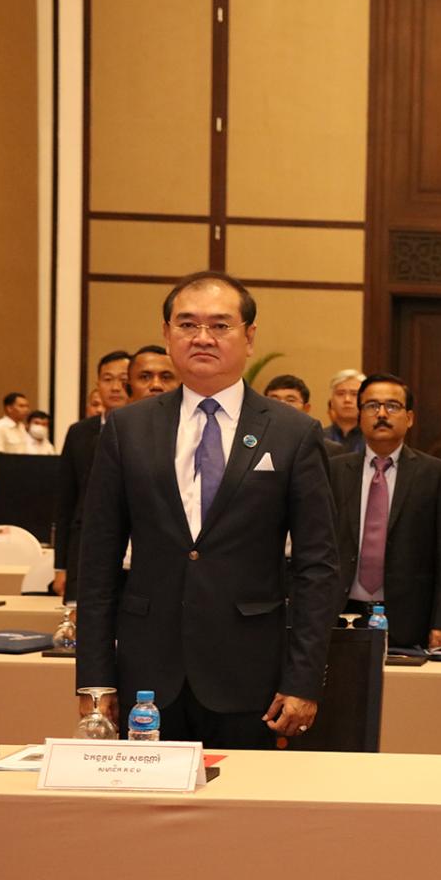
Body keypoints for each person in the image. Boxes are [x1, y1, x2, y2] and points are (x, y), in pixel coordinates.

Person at [75, 271, 342, 748]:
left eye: (220, 325)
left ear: (249, 337)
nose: (202, 337)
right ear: (167, 334)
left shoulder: (293, 433)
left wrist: (303, 680)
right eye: (187, 324)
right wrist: (95, 681)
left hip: (252, 676)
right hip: (147, 677)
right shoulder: (126, 428)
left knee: (249, 796)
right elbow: (97, 560)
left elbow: (318, 566)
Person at [331, 374, 441, 649]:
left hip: (410, 616)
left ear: (409, 418)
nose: (381, 414)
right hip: (341, 611)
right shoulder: (334, 471)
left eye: (392, 406)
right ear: (360, 415)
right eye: (371, 406)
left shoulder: (436, 474)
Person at [52, 350, 131, 600]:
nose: (115, 387)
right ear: (97, 384)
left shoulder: (149, 430)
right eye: (108, 379)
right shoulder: (79, 433)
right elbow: (66, 502)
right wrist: (61, 566)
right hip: (85, 549)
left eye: (123, 379)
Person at [266, 373, 346, 458]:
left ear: (306, 408)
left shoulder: (327, 449)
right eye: (274, 400)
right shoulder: (257, 441)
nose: (281, 405)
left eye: (290, 400)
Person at [325, 369, 365, 453]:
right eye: (340, 394)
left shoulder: (375, 439)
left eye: (354, 394)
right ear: (332, 402)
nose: (347, 400)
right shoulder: (318, 438)